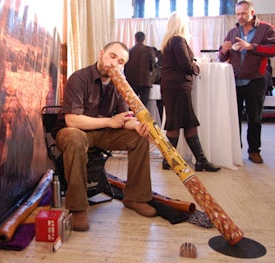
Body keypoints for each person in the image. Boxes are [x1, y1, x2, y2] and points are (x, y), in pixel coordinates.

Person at [53, 42, 156, 231]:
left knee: (139, 138)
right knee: (74, 138)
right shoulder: (79, 78)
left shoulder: (119, 85)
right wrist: (110, 122)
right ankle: (77, 208)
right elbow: (72, 121)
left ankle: (135, 198)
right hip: (74, 132)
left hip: (102, 133)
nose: (115, 63)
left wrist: (138, 126)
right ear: (101, 54)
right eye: (112, 56)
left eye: (121, 61)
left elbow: (123, 119)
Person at [160, 11, 220, 172]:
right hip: (179, 86)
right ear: (182, 24)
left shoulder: (168, 41)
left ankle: (171, 160)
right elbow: (185, 65)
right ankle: (199, 161)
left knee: (181, 121)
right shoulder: (179, 40)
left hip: (171, 86)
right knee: (185, 122)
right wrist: (196, 68)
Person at [218, 0, 275, 164]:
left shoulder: (266, 29)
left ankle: (254, 150)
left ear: (252, 12)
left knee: (254, 118)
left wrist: (252, 47)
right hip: (234, 81)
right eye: (237, 13)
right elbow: (222, 57)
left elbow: (273, 49)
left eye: (243, 13)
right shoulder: (232, 31)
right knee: (234, 118)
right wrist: (224, 50)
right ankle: (236, 150)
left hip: (255, 80)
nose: (240, 17)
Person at [124, 31, 157, 106]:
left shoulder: (130, 51)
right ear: (144, 39)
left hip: (132, 81)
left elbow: (125, 67)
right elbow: (154, 66)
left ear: (135, 38)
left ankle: (132, 118)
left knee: (132, 106)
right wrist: (152, 79)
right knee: (144, 106)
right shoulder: (149, 50)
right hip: (145, 81)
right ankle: (142, 118)